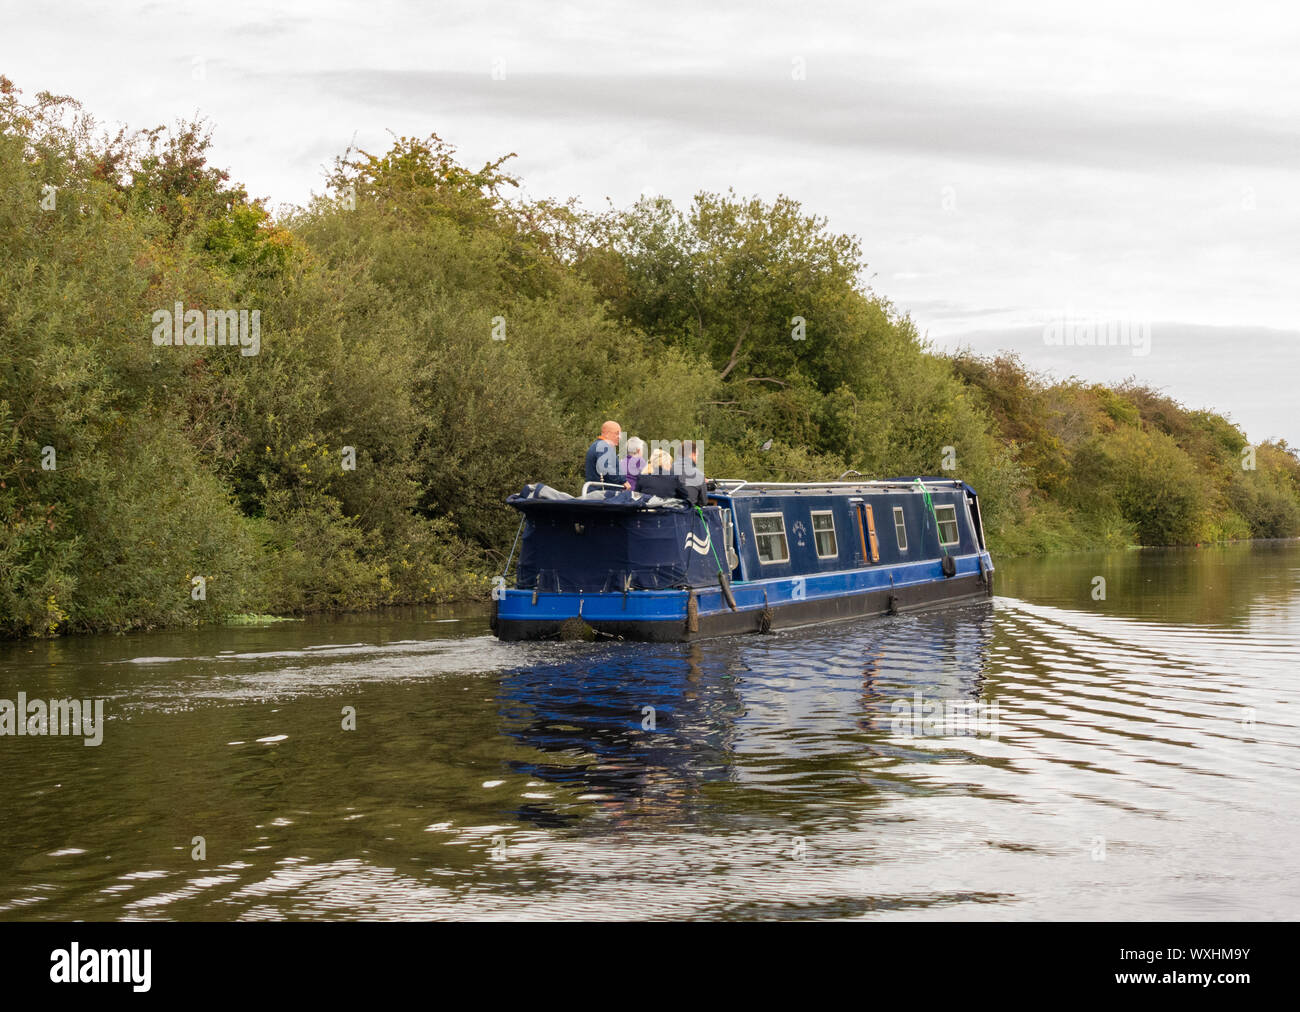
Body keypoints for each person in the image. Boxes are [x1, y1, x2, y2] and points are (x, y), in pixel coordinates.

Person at [584, 420, 630, 488]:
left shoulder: (598, 445)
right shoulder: (603, 447)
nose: (619, 437)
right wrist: (623, 481)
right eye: (617, 433)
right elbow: (608, 470)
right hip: (601, 494)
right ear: (607, 433)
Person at [680, 439, 708, 506]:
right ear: (693, 455)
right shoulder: (699, 475)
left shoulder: (668, 470)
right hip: (687, 514)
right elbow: (703, 502)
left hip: (667, 513)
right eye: (697, 456)